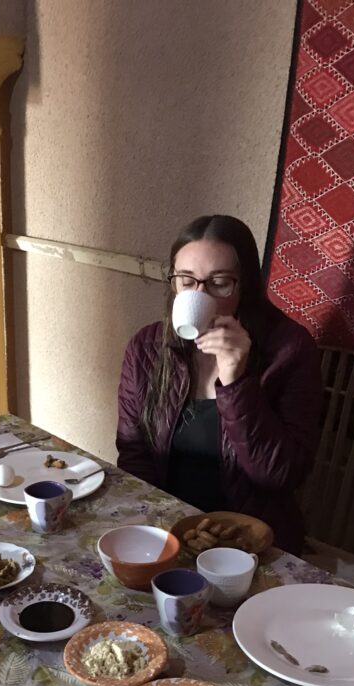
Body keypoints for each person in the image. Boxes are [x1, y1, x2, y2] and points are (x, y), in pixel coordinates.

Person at [116, 214, 322, 555]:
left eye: (220, 282)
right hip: (167, 528)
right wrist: (153, 529)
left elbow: (281, 474)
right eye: (187, 280)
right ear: (173, 284)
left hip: (251, 539)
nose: (201, 293)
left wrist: (237, 379)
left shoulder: (290, 349)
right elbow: (134, 453)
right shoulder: (148, 347)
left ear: (245, 286)